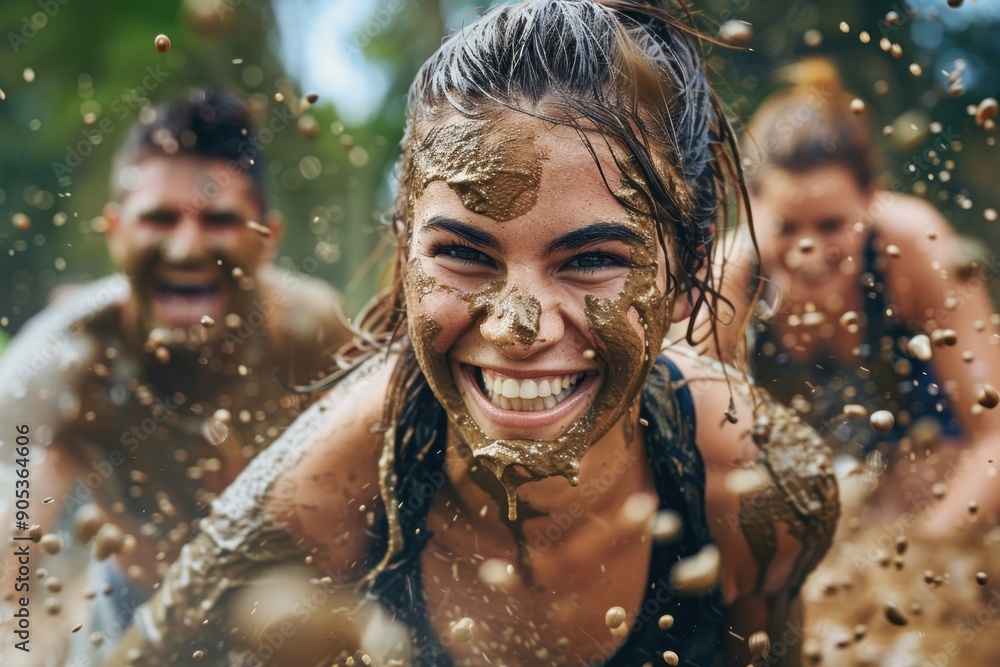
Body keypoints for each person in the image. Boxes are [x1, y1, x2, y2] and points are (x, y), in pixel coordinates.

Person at [106, 3, 838, 665]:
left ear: (689, 271)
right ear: (406, 252)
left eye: (591, 260)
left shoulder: (759, 488)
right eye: (463, 253)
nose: (518, 329)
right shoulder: (334, 483)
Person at [0, 88, 354, 663]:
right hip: (129, 606)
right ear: (115, 231)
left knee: (294, 617)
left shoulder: (309, 331)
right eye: (160, 218)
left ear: (266, 239)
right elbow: (16, 511)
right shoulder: (72, 355)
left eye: (219, 220)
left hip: (274, 606)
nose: (187, 248)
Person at [719, 58, 1000, 663]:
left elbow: (995, 435)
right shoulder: (731, 284)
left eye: (831, 225)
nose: (809, 250)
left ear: (871, 201)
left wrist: (921, 555)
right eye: (787, 227)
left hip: (929, 477)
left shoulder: (915, 247)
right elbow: (695, 456)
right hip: (821, 486)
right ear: (748, 207)